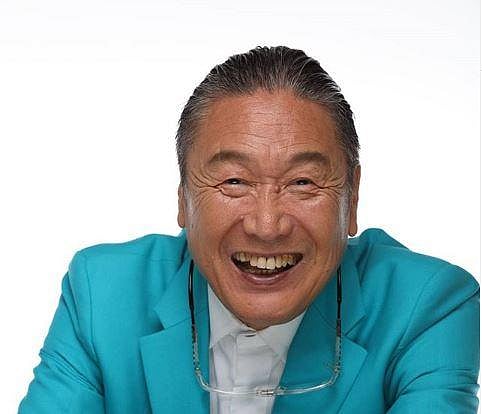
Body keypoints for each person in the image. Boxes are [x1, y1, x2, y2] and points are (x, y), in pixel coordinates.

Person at [19, 46, 479, 414]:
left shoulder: (430, 305)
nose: (266, 225)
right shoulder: (101, 291)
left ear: (352, 198)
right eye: (234, 181)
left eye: (303, 182)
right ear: (183, 197)